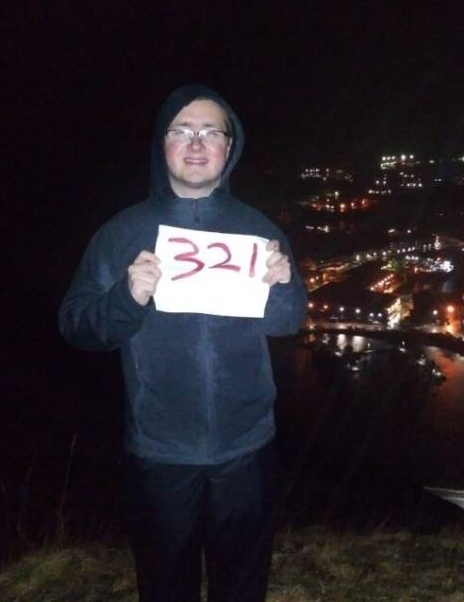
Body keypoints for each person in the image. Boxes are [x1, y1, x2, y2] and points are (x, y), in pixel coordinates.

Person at [59, 84, 307, 602]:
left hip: (248, 448)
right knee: (164, 584)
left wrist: (281, 286)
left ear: (228, 147)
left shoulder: (259, 232)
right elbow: (78, 326)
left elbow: (288, 323)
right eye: (182, 130)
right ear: (163, 143)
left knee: (242, 583)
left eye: (211, 132)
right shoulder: (121, 233)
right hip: (159, 451)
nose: (196, 143)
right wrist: (127, 296)